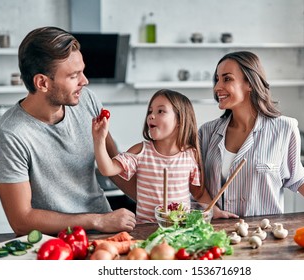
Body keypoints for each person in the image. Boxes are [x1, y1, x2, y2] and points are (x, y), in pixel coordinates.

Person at [0, 26, 136, 236]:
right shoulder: (10, 135)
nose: (84, 81)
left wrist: (154, 203)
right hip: (55, 242)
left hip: (105, 232)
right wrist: (98, 220)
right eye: (74, 75)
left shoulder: (87, 100)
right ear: (42, 83)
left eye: (82, 71)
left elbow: (114, 164)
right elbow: (21, 220)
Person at [198, 51, 304, 220]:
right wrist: (210, 210)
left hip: (263, 233)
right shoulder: (206, 133)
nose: (217, 87)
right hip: (217, 234)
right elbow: (195, 183)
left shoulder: (285, 128)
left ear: (249, 83)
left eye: (226, 79)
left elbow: (296, 176)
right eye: (217, 79)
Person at [92, 89, 238, 223]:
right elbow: (107, 169)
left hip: (180, 229)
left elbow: (198, 194)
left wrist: (215, 211)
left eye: (160, 111)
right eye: (150, 111)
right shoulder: (141, 151)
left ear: (180, 120)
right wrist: (99, 140)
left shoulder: (190, 155)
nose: (151, 116)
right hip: (146, 230)